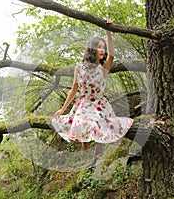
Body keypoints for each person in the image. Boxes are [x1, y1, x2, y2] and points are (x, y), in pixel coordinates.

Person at [52, 19, 134, 154]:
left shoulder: (103, 69)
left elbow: (112, 56)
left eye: (104, 48)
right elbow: (74, 90)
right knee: (80, 125)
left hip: (99, 105)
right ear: (91, 49)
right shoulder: (79, 68)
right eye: (99, 47)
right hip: (83, 104)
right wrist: (63, 109)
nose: (102, 50)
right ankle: (87, 153)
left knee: (97, 125)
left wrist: (108, 33)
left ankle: (98, 154)